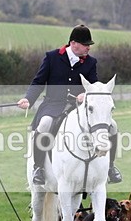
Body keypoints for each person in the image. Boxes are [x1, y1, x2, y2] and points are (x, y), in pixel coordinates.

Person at [18, 24, 122, 185]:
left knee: (113, 126)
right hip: (53, 105)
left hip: (79, 108)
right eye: (85, 44)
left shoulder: (90, 62)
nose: (88, 47)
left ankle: (110, 167)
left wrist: (86, 94)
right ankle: (38, 168)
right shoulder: (52, 57)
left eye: (89, 45)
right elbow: (38, 81)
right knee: (45, 124)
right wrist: (28, 99)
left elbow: (94, 86)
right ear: (73, 43)